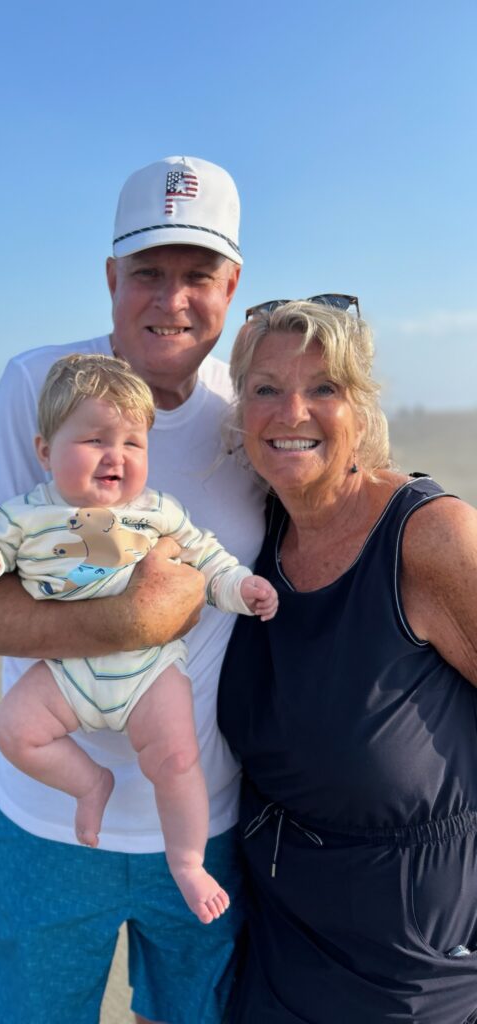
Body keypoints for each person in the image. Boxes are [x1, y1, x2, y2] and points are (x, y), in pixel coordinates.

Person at [0, 155, 265, 1024]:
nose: (172, 299)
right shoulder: (38, 390)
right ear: (110, 276)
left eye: (198, 275)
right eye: (147, 273)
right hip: (46, 828)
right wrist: (135, 616)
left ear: (232, 286)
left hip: (206, 824)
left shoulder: (254, 413)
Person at [216, 297, 477, 1023]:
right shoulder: (253, 533)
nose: (290, 411)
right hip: (276, 938)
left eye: (323, 388)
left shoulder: (430, 537)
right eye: (265, 388)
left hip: (410, 968)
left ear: (360, 408)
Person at [0, 353, 277, 924]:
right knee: (13, 730)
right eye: (95, 439)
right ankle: (88, 782)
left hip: (149, 671)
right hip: (68, 671)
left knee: (177, 758)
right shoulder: (25, 514)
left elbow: (207, 558)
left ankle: (188, 862)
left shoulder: (157, 512)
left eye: (132, 443)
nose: (115, 456)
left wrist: (240, 587)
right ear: (45, 452)